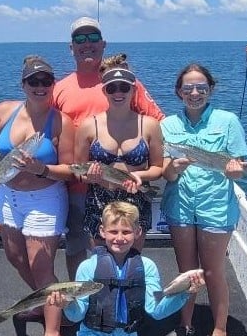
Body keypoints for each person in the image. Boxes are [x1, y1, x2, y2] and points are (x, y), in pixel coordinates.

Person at [47, 201, 205, 336]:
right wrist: (66, 304)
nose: (119, 237)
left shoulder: (146, 267)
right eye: (113, 231)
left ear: (137, 232)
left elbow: (156, 310)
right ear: (102, 231)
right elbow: (76, 315)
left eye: (126, 231)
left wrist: (185, 293)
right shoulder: (88, 267)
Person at [0, 55, 75, 336]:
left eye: (46, 81)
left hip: (44, 199)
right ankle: (50, 303)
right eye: (34, 81)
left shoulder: (61, 122)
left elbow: (70, 170)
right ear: (23, 84)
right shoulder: (4, 111)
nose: (40, 87)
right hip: (7, 196)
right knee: (15, 257)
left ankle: (54, 335)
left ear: (52, 84)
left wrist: (41, 168)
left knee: (41, 266)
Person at [53, 16, 165, 280]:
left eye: (93, 38)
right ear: (71, 47)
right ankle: (82, 300)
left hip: (128, 186)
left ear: (103, 44)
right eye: (80, 39)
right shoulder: (59, 88)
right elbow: (48, 129)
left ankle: (126, 304)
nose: (87, 44)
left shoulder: (126, 82)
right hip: (80, 186)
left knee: (126, 248)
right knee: (79, 247)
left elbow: (160, 123)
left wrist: (181, 161)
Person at [160, 63, 247, 336]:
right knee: (186, 270)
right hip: (180, 205)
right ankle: (185, 324)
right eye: (188, 88)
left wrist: (236, 170)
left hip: (215, 206)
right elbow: (167, 175)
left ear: (210, 90)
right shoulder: (167, 125)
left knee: (212, 271)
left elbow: (236, 172)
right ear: (178, 92)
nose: (195, 93)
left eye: (201, 87)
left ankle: (220, 333)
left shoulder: (228, 121)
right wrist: (172, 167)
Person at [74, 66, 163, 252]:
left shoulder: (150, 125)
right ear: (104, 91)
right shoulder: (89, 125)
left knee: (132, 261)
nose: (118, 92)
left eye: (124, 87)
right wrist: (89, 177)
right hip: (99, 201)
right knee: (102, 262)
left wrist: (138, 176)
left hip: (136, 199)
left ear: (134, 90)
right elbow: (78, 169)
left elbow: (157, 168)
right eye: (111, 88)